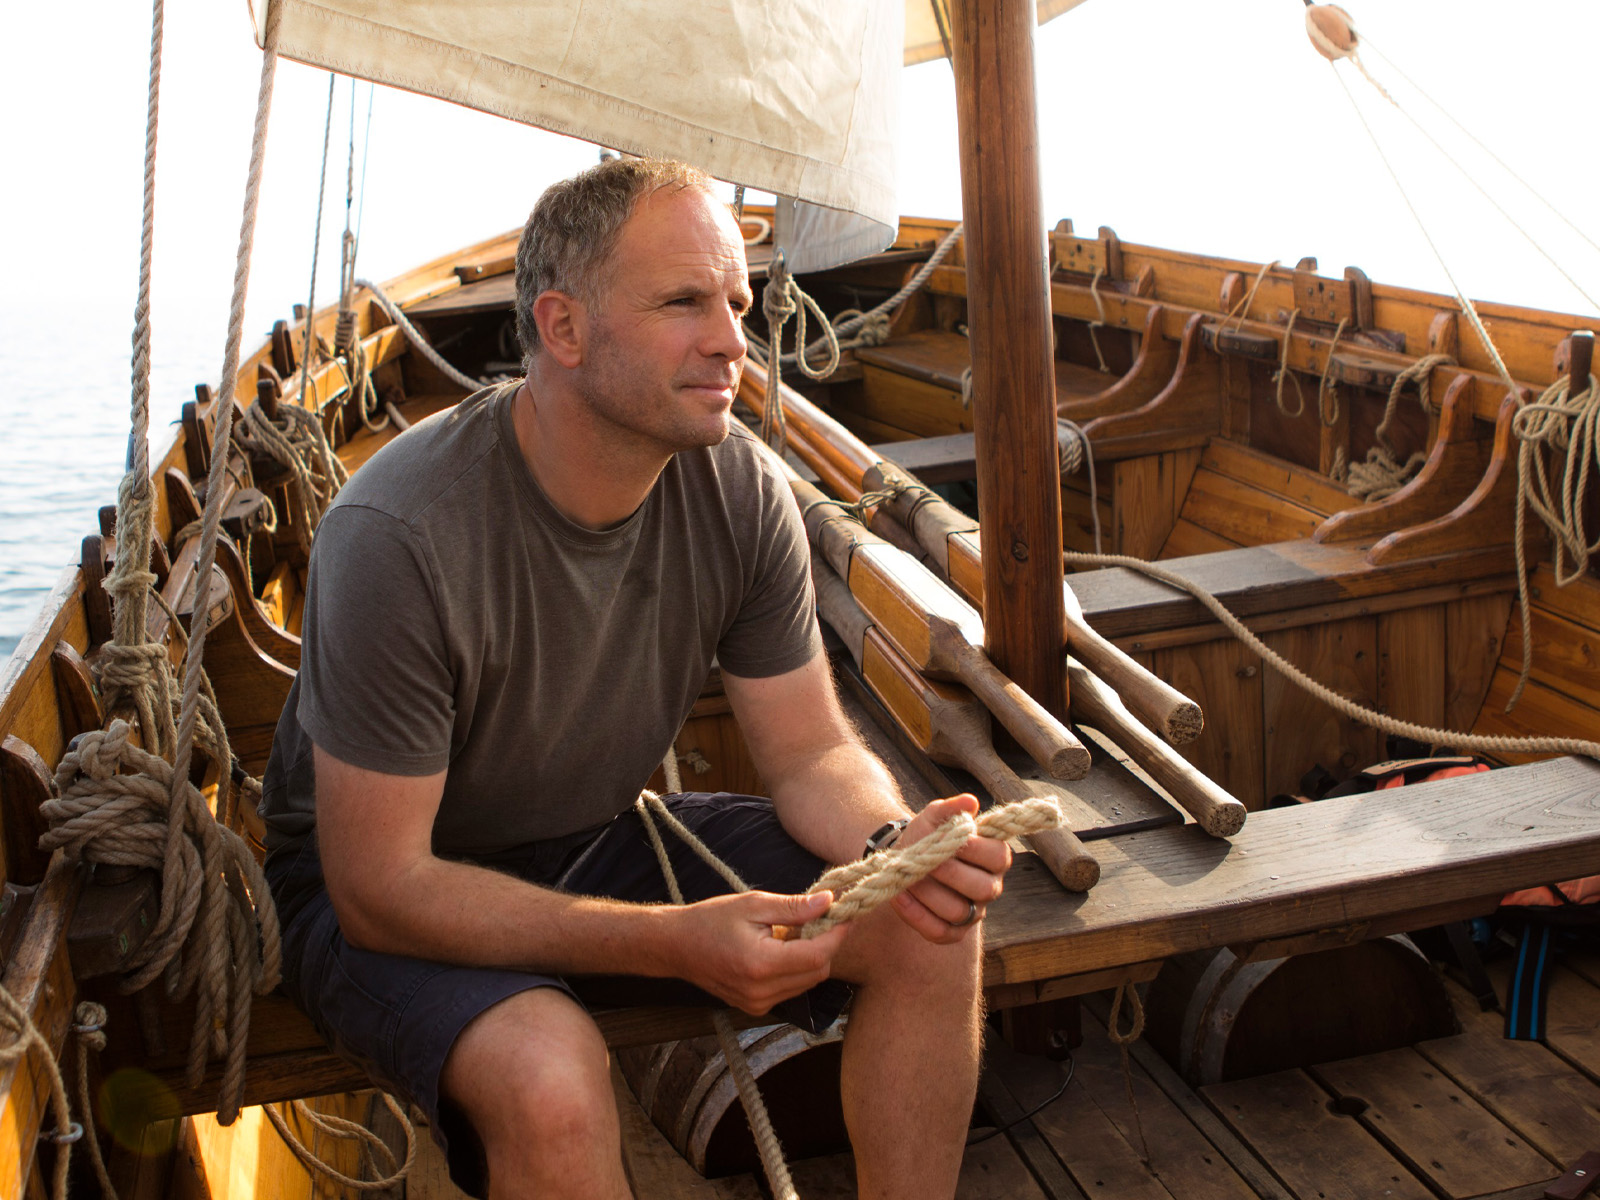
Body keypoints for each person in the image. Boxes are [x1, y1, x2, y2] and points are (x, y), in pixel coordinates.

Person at [260, 157, 1012, 1200]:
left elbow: (810, 753)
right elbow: (381, 890)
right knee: (548, 1078)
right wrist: (672, 944)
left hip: (590, 840)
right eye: (683, 302)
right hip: (384, 892)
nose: (732, 339)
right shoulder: (399, 534)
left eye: (737, 303)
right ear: (563, 329)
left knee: (927, 926)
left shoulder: (739, 487)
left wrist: (892, 847)